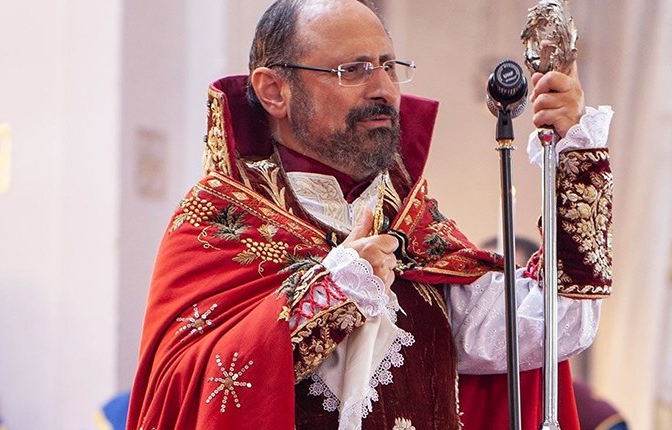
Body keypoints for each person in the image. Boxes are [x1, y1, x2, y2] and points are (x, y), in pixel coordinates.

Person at [127, 1, 614, 429]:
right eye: (353, 70)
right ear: (274, 90)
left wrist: (574, 153)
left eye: (387, 66)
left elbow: (548, 328)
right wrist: (331, 293)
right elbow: (188, 392)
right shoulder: (217, 221)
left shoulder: (412, 224)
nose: (384, 89)